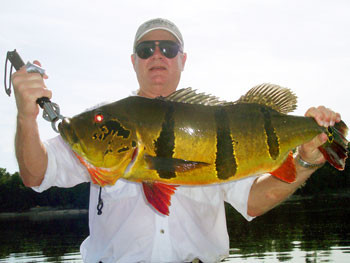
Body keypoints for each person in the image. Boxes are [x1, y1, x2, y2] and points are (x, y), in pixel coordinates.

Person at [12, 18, 342, 263]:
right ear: (134, 61)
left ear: (182, 59)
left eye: (168, 49)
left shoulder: (216, 120)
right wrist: (27, 117)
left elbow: (255, 200)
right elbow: (36, 173)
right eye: (146, 49)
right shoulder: (105, 119)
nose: (157, 55)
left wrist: (307, 159)